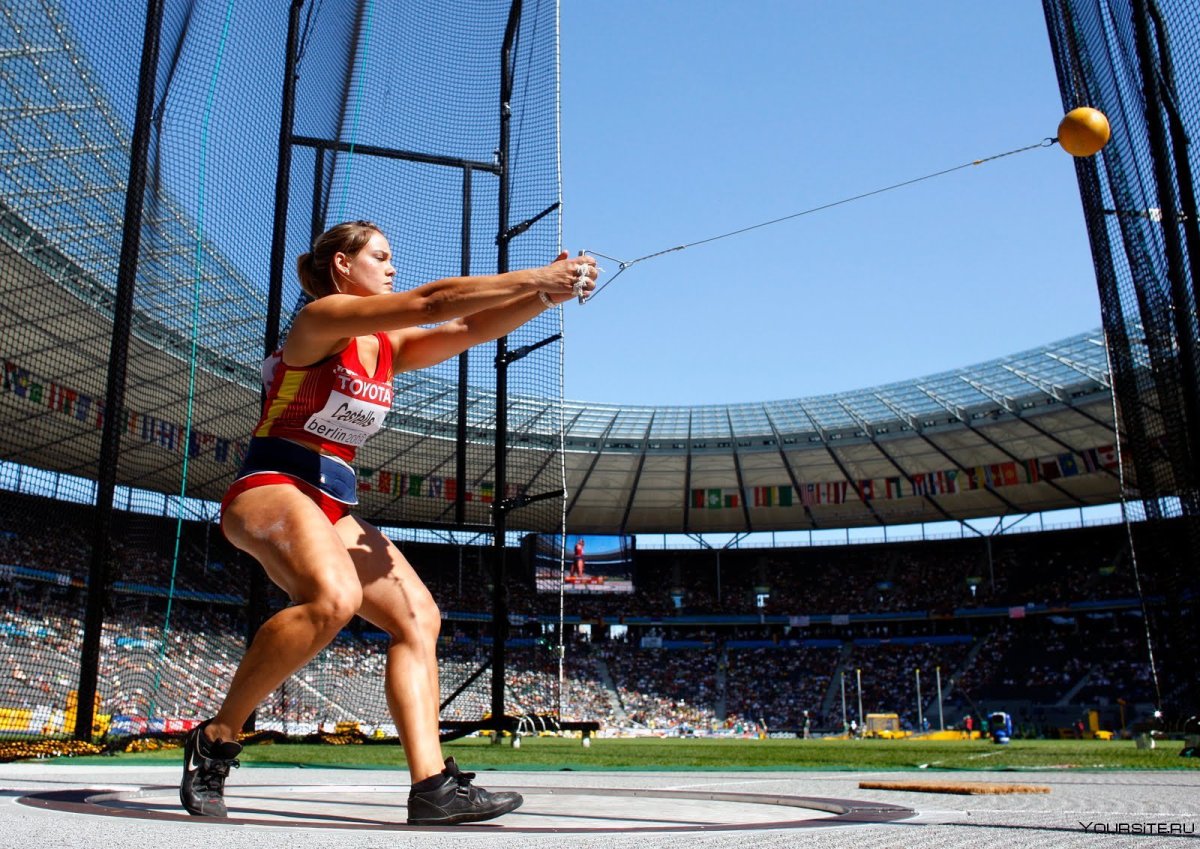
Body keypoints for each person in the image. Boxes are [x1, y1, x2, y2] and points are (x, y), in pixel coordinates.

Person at [179, 220, 596, 824]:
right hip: (271, 486)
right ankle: (217, 737)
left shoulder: (386, 345)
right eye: (380, 256)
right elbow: (432, 302)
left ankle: (432, 788)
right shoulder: (321, 319)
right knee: (334, 598)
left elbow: (465, 328)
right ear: (342, 266)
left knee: (419, 618)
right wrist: (538, 274)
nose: (393, 267)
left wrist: (543, 297)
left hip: (329, 503)